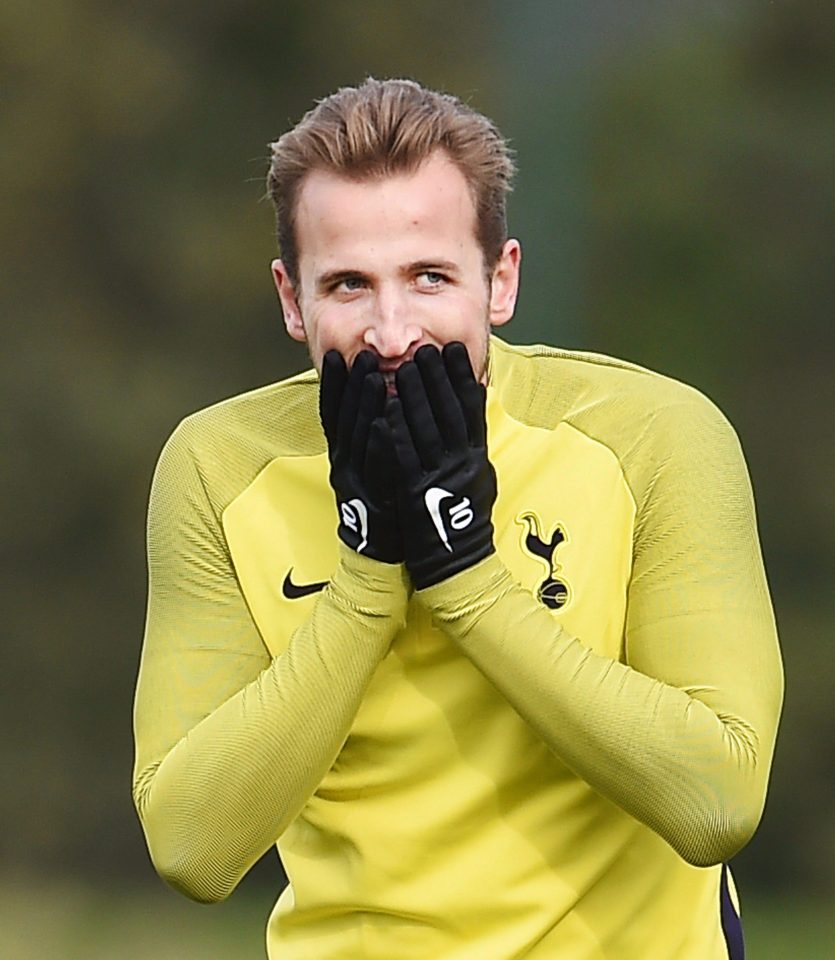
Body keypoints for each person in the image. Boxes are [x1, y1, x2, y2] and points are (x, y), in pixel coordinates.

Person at [132, 78, 783, 960]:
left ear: (499, 280)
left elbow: (717, 801)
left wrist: (466, 577)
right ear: (292, 300)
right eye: (349, 286)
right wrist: (368, 573)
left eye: (429, 277)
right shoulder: (218, 466)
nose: (392, 332)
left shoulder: (652, 433)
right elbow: (192, 849)